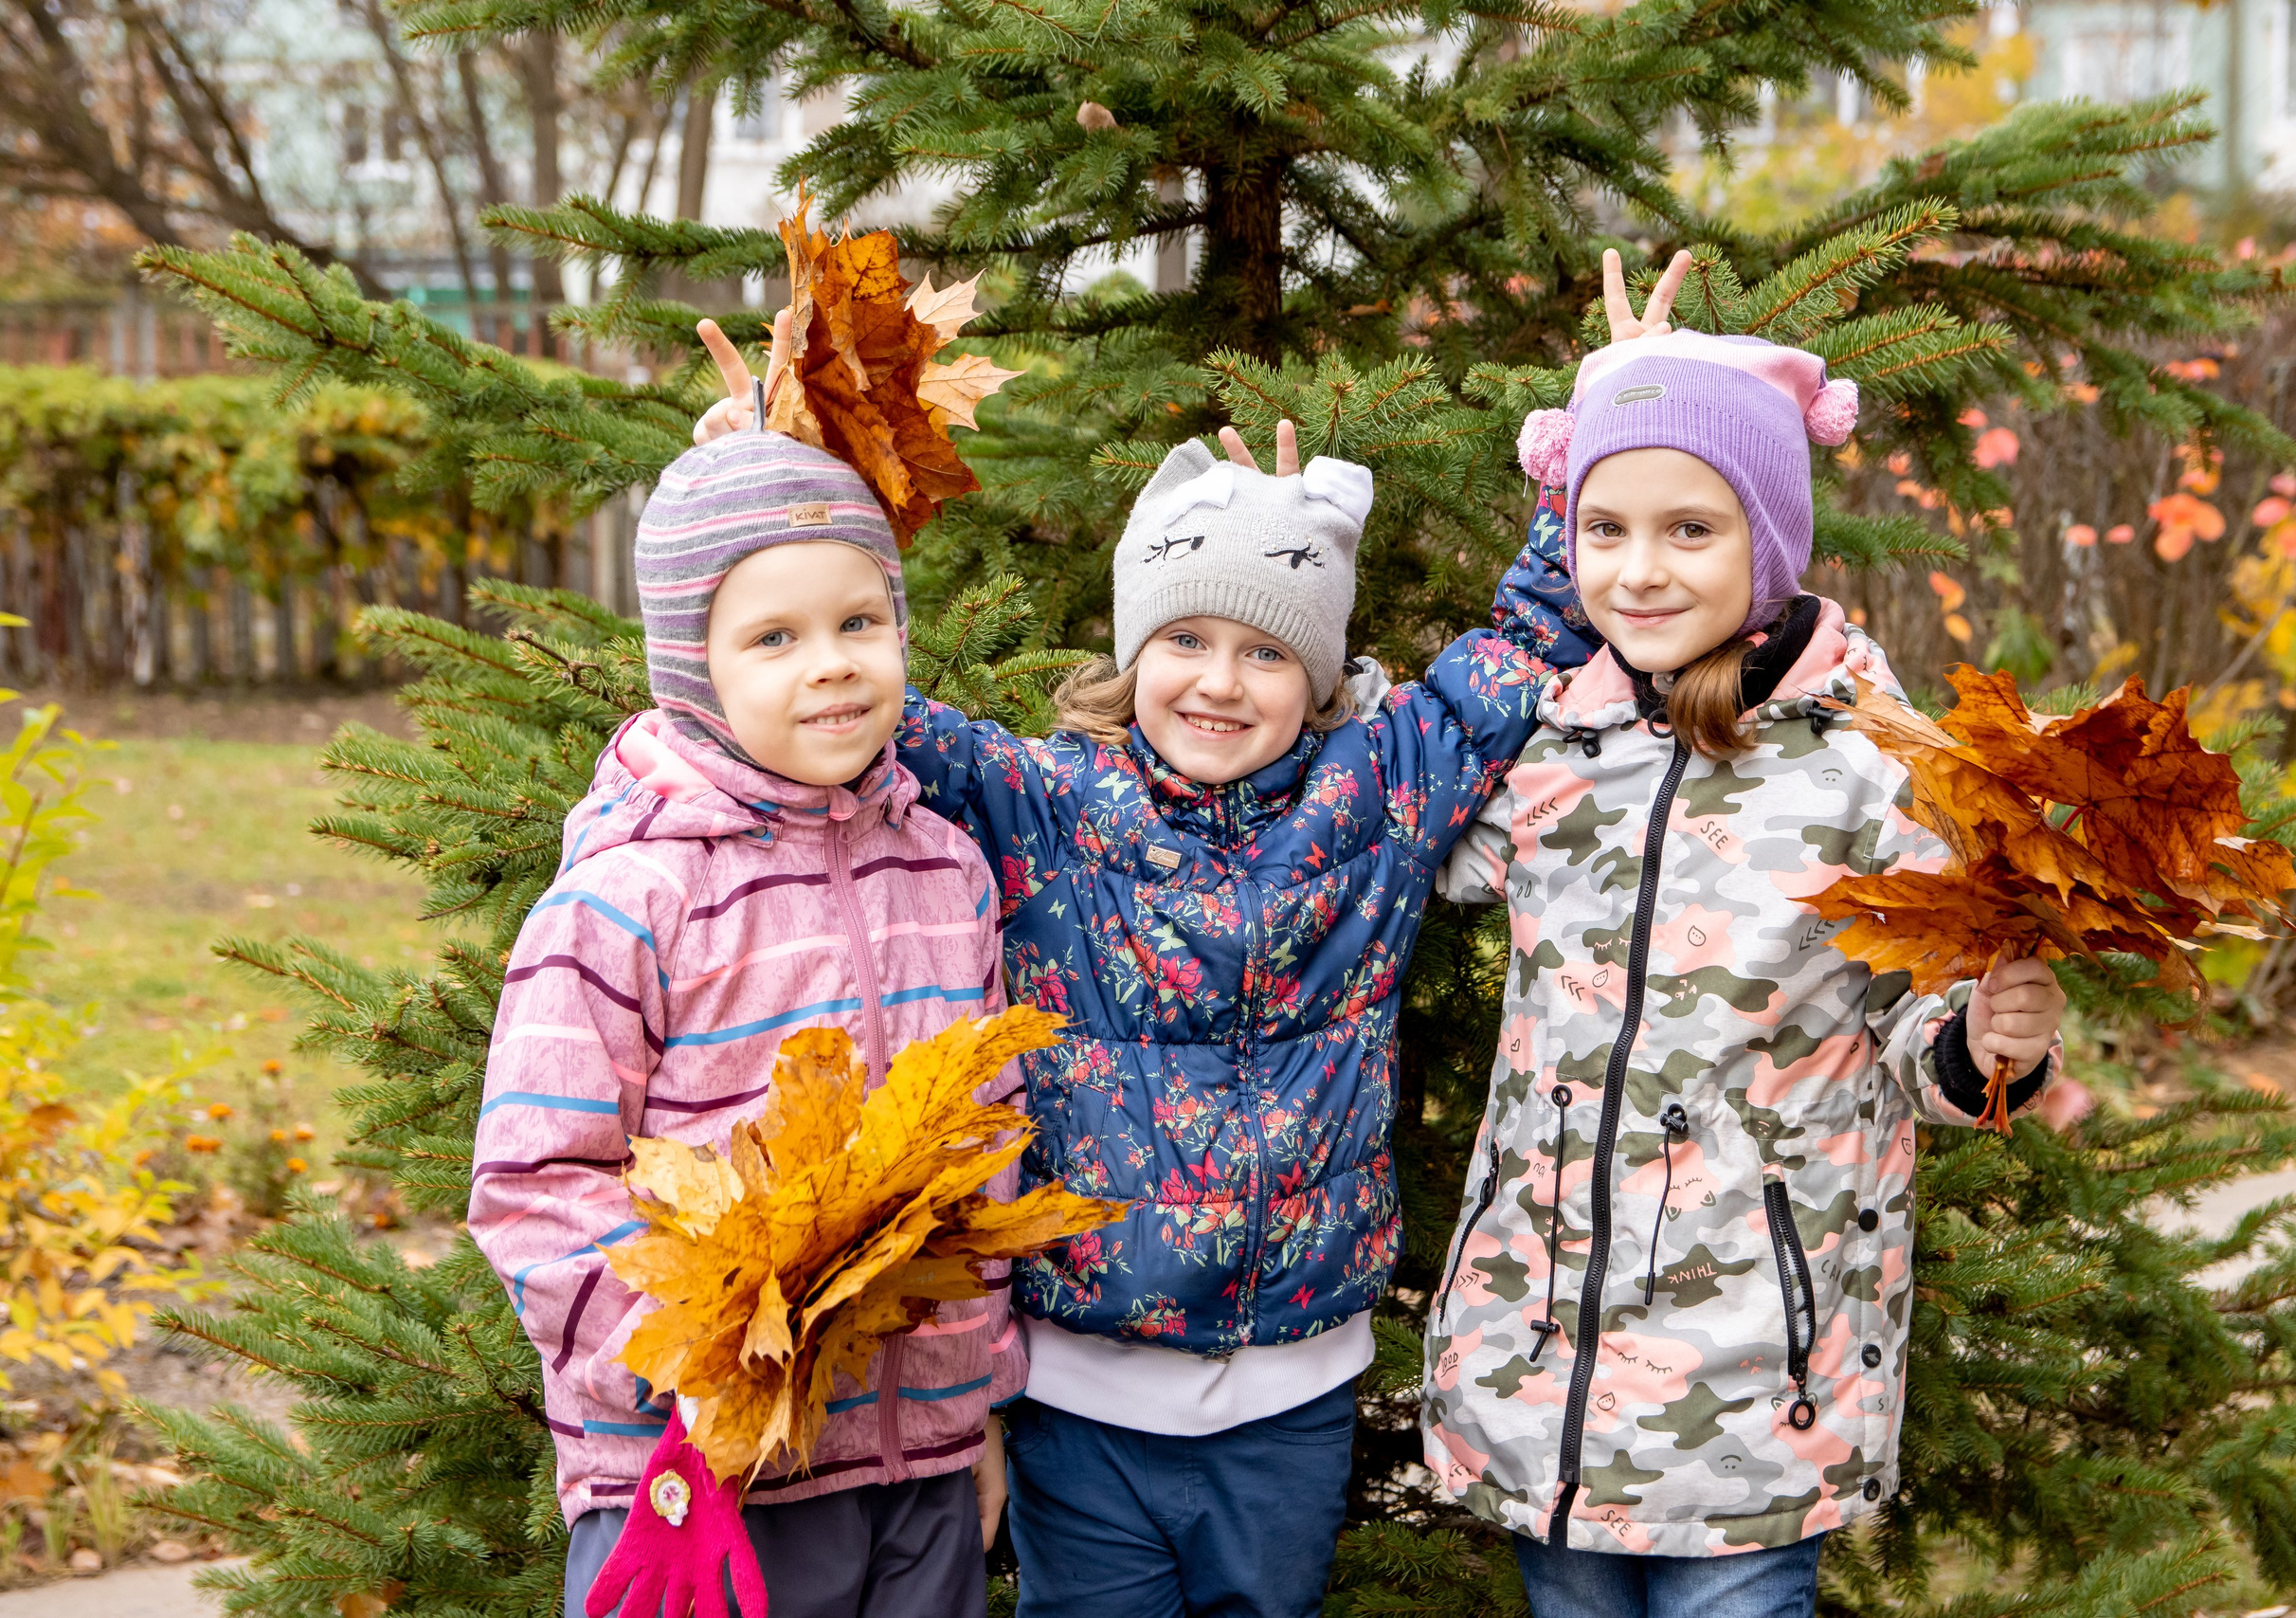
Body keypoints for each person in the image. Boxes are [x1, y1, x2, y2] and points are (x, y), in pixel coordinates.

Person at [682, 252, 1675, 1618]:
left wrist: (1612, 424)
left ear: (1318, 676)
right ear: (1132, 648)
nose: (1219, 680)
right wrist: (765, 489)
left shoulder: (1376, 791)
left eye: (1267, 653)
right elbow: (840, 689)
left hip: (1295, 1390)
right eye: (1186, 639)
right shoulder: (1038, 799)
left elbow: (1519, 645)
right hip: (1086, 1398)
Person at [1421, 329, 2068, 1618]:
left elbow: (1915, 1025)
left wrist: (1989, 1042)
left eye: (1690, 530)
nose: (1640, 569)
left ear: (1767, 541)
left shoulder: (1868, 769)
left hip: (1755, 1378)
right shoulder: (1553, 744)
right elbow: (1398, 826)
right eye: (1600, 527)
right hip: (1545, 1360)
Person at [469, 419, 1021, 1618]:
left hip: (914, 1464)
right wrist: (690, 1361)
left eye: (858, 622)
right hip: (701, 1479)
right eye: (774, 637)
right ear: (690, 665)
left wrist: (974, 1409)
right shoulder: (628, 897)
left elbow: (981, 1154)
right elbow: (534, 1180)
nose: (830, 663)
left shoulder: (945, 869)